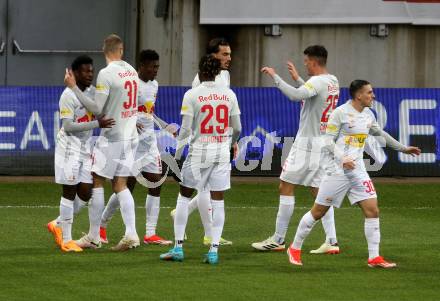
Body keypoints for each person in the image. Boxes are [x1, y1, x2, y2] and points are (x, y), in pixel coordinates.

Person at [287, 79, 421, 267]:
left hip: (358, 170)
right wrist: (342, 158)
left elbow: (380, 134)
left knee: (372, 210)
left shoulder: (368, 115)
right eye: (369, 92)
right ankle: (295, 248)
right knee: (318, 211)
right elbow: (326, 140)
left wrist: (403, 148)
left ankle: (374, 257)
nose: (372, 96)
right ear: (359, 95)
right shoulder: (340, 113)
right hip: (337, 171)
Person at [252, 45, 340, 254]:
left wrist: (276, 77)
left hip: (307, 145)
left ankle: (278, 239)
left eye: (306, 61)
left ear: (314, 61)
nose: (305, 64)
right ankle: (332, 241)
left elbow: (295, 96)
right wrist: (299, 80)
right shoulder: (333, 80)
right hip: (323, 143)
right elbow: (312, 96)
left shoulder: (317, 81)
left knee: (285, 186)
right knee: (319, 192)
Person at [160, 55, 241, 264]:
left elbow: (186, 129)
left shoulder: (192, 95)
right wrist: (230, 142)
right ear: (217, 72)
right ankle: (213, 250)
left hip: (199, 152)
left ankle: (178, 247)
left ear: (201, 71)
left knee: (184, 197)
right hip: (221, 153)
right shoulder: (229, 94)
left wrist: (177, 156)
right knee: (218, 200)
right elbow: (238, 127)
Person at [64, 34, 140, 251]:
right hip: (131, 135)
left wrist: (73, 88)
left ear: (103, 49)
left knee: (97, 180)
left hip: (113, 136)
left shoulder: (106, 74)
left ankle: (94, 237)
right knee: (120, 185)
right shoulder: (132, 71)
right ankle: (132, 233)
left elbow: (97, 109)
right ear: (122, 49)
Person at [99, 49, 174, 245]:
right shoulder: (131, 83)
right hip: (131, 142)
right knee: (126, 187)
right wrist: (131, 122)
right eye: (152, 67)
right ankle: (102, 225)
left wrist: (165, 126)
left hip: (149, 143)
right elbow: (120, 108)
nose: (155, 71)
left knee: (156, 182)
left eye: (157, 67)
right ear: (141, 66)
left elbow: (149, 113)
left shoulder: (155, 85)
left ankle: (150, 233)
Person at [48, 55, 115, 252]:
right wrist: (97, 124)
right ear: (75, 73)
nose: (90, 74)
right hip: (68, 146)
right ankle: (66, 240)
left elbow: (102, 110)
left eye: (92, 71)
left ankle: (57, 223)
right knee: (69, 191)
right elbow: (68, 127)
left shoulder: (93, 93)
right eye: (86, 71)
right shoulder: (67, 96)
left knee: (86, 191)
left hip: (85, 147)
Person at [171, 37, 234, 246]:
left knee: (205, 189)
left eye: (230, 54)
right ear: (213, 56)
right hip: (203, 144)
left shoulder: (225, 75)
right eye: (224, 54)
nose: (229, 58)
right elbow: (194, 119)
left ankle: (204, 231)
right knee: (206, 190)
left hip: (219, 142)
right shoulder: (200, 81)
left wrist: (230, 138)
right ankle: (209, 235)